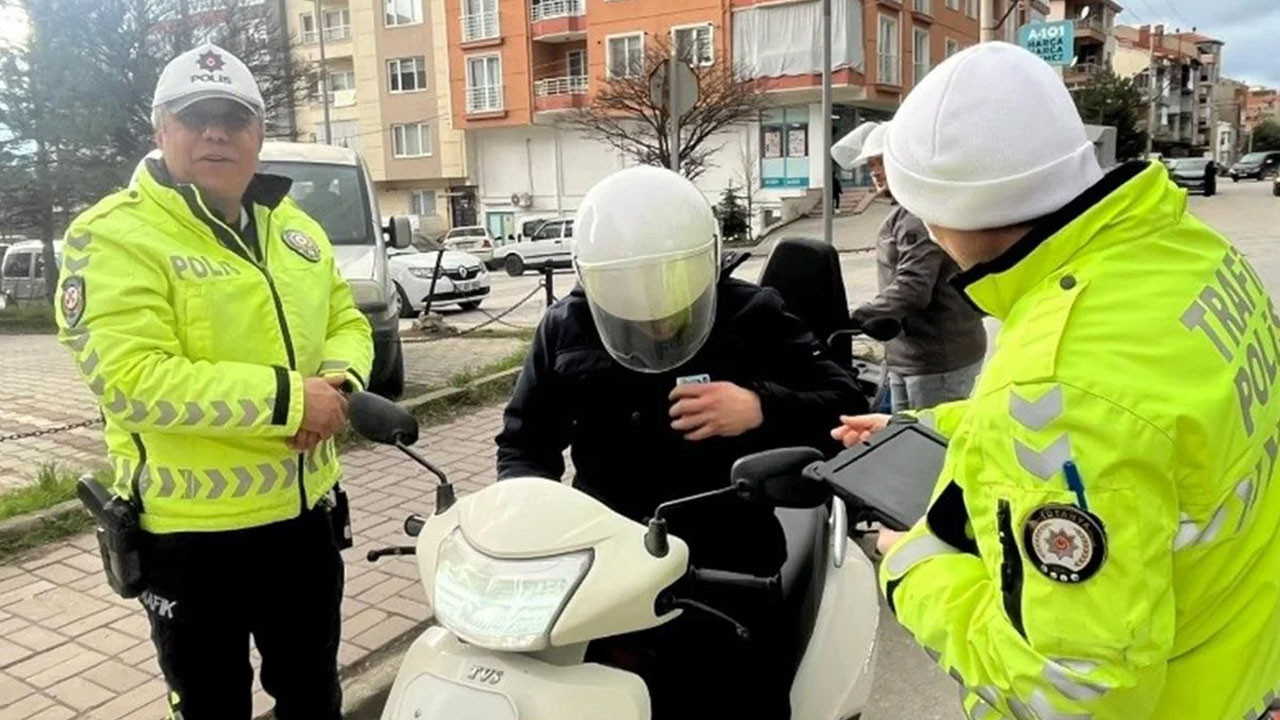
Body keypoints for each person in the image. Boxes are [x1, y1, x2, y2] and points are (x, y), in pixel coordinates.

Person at [833, 42, 1280, 719]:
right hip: (1236, 664)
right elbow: (1147, 429)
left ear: (940, 210)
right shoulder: (1189, 254)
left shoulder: (1057, 376)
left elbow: (1071, 694)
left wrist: (911, 566)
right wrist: (932, 427)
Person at [55, 44, 371, 720]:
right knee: (211, 708)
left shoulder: (296, 229)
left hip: (305, 523)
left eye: (233, 118)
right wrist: (292, 401)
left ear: (259, 133)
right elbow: (132, 380)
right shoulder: (112, 236)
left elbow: (347, 320)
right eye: (195, 117)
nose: (216, 133)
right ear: (160, 131)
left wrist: (340, 386)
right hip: (191, 544)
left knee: (314, 697)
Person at [496, 165, 864, 719]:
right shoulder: (565, 328)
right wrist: (526, 530)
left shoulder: (752, 314)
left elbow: (847, 408)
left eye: (669, 286)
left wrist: (760, 406)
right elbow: (525, 445)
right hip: (607, 568)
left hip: (729, 567)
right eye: (631, 292)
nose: (656, 315)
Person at [845, 121, 986, 411]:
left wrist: (856, 317)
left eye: (881, 162)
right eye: (871, 164)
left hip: (935, 358)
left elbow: (914, 287)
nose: (874, 171)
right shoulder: (909, 211)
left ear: (904, 163)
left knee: (927, 437)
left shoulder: (915, 217)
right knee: (904, 431)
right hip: (913, 355)